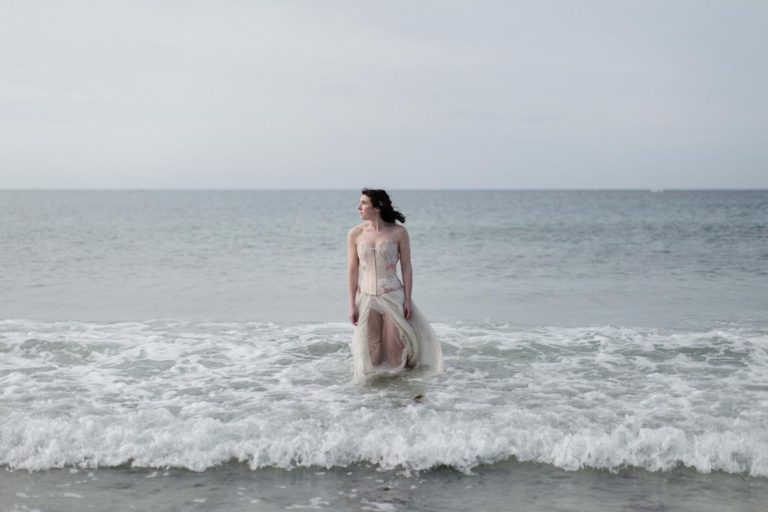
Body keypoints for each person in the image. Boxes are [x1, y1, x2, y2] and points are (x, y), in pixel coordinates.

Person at [346, 188, 444, 381]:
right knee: (371, 352)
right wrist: (351, 304)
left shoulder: (399, 232)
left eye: (364, 203)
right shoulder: (355, 234)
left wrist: (407, 299)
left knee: (395, 349)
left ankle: (400, 395)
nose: (359, 207)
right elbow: (352, 270)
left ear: (377, 207)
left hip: (392, 295)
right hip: (365, 298)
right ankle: (375, 395)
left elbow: (406, 267)